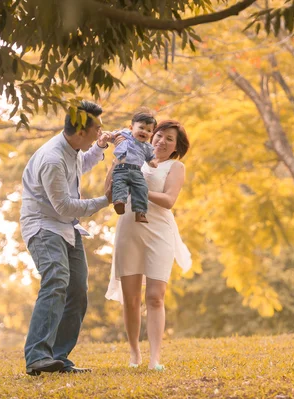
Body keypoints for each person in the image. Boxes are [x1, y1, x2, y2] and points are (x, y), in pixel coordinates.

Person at [20, 100, 112, 376]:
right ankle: (37, 356)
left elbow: (80, 163)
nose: (100, 132)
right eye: (97, 129)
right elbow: (65, 206)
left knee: (77, 290)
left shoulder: (72, 149)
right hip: (43, 226)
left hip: (66, 228)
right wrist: (105, 200)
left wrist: (100, 148)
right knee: (57, 279)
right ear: (81, 131)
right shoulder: (52, 158)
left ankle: (58, 357)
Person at [105, 119, 192, 371]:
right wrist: (116, 163)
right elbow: (109, 193)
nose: (161, 141)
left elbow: (168, 200)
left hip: (159, 233)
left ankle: (155, 358)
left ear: (176, 146)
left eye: (169, 139)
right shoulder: (131, 156)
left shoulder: (175, 166)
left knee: (155, 297)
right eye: (159, 135)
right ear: (150, 135)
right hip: (129, 230)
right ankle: (134, 354)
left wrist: (138, 187)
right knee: (131, 299)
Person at [111, 111, 158, 223]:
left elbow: (150, 158)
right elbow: (111, 136)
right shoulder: (124, 136)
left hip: (137, 171)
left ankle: (140, 211)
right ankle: (119, 201)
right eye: (141, 128)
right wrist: (106, 137)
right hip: (121, 168)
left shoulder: (147, 147)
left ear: (152, 134)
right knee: (119, 184)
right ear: (131, 128)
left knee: (142, 188)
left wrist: (152, 162)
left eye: (148, 130)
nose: (144, 132)